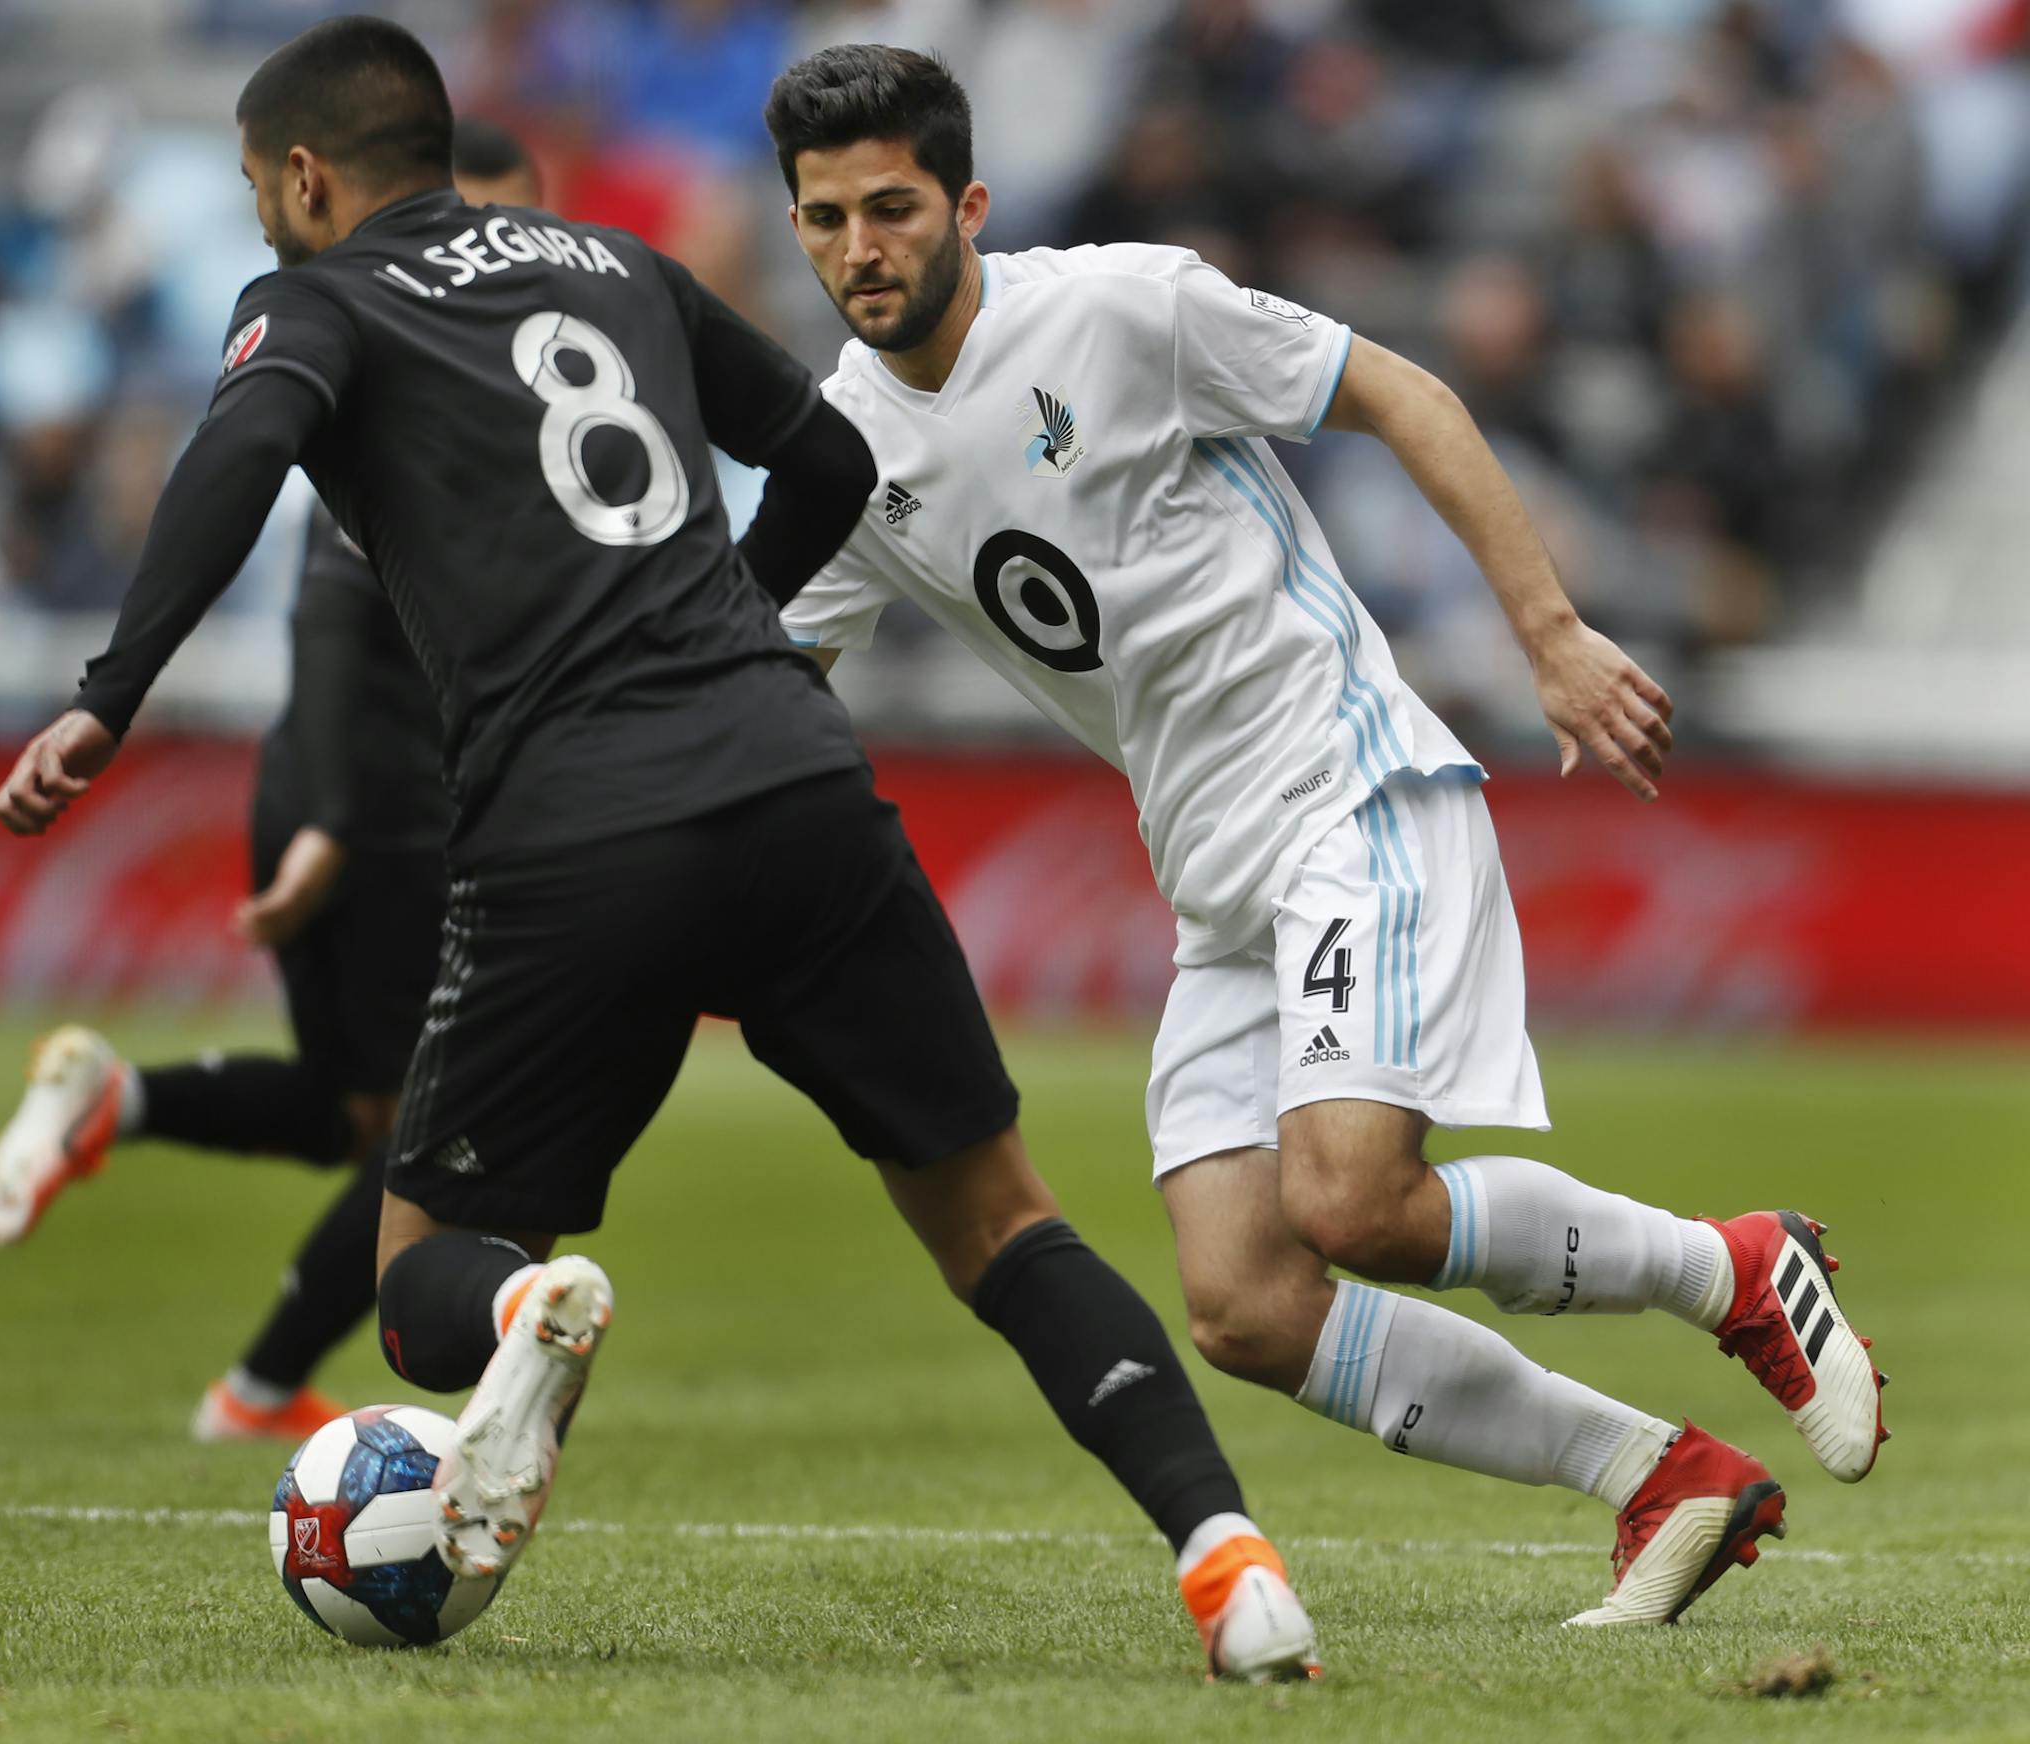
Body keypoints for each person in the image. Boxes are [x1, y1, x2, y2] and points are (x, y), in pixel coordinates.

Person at [0, 17, 1320, 1682]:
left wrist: (108, 697)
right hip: (794, 777)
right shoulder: (610, 260)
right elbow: (829, 458)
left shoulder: (316, 298)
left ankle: (521, 1321)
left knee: (419, 1291)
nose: (264, 222)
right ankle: (1229, 1557)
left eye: (263, 193)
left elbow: (237, 453)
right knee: (1002, 1220)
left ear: (307, 176)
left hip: (573, 828)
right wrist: (727, 640)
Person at [764, 44, 1887, 1629]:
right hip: (1212, 878)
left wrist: (1549, 633)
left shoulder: (1117, 307)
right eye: (823, 220)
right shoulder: (834, 456)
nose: (859, 251)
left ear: (970, 205)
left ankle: (1734, 1267)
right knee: (1243, 1297)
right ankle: (1659, 1476)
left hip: (1343, 787)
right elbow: (774, 690)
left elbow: (1401, 393)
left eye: (892, 209)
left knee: (1351, 1197)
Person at [0, 121, 549, 1445]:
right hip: (375, 810)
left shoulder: (463, 379)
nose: (508, 258)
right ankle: (261, 1386)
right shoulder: (427, 393)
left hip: (349, 798)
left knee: (358, 1113)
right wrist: (337, 826)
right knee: (434, 1130)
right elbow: (331, 615)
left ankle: (122, 1102)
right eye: (484, 225)